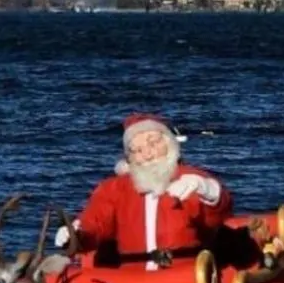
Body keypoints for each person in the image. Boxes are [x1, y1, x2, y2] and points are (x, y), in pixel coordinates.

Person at [64, 113, 232, 270]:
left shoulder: (189, 179)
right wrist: (77, 234)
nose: (147, 154)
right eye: (136, 150)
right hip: (132, 278)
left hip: (184, 275)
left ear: (169, 144)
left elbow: (216, 216)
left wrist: (207, 190)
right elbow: (97, 222)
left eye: (153, 143)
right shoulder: (114, 189)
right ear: (129, 157)